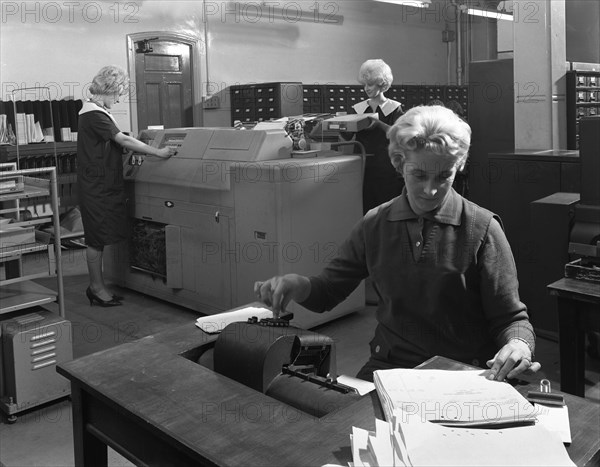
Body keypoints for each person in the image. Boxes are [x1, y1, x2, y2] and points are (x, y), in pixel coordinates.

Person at [254, 105, 541, 383]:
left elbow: (511, 319)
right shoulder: (375, 224)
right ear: (399, 163)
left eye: (444, 176)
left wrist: (519, 345)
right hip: (390, 366)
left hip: (463, 373)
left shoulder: (482, 229)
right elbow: (328, 292)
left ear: (459, 166)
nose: (430, 190)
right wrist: (297, 284)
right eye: (419, 175)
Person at [77, 65, 175, 307]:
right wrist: (158, 153)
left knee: (99, 237)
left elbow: (114, 143)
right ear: (107, 90)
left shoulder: (96, 112)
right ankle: (96, 288)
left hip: (102, 184)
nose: (119, 99)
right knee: (95, 239)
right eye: (117, 93)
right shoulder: (93, 115)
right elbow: (122, 138)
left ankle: (99, 286)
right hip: (96, 187)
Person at [348, 59, 404, 214]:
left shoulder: (394, 109)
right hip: (363, 168)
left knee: (388, 209)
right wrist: (337, 124)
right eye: (364, 85)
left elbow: (399, 135)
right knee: (366, 210)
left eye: (370, 84)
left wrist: (378, 124)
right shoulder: (358, 108)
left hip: (387, 168)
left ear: (382, 83)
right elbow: (346, 136)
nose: (366, 88)